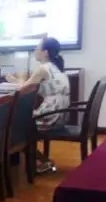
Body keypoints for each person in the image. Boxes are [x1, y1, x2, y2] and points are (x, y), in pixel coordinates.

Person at [6, 37, 70, 172]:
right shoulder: (56, 68)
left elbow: (22, 90)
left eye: (37, 48)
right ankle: (37, 160)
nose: (35, 50)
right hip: (61, 115)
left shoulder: (43, 69)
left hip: (50, 116)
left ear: (45, 52)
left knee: (13, 125)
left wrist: (17, 79)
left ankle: (40, 160)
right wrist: (20, 80)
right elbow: (30, 87)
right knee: (18, 122)